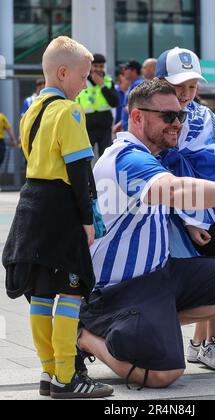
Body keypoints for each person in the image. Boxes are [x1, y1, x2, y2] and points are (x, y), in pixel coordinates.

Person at [78, 79, 215, 389]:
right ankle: (85, 336)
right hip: (119, 288)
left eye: (181, 115)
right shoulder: (126, 157)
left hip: (158, 273)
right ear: (137, 117)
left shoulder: (152, 156)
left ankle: (152, 323)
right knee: (164, 374)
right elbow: (175, 190)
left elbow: (177, 191)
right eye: (167, 117)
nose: (177, 123)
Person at [2, 36, 113, 400]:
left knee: (41, 294)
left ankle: (49, 372)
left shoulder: (31, 110)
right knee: (71, 290)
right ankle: (68, 377)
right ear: (63, 73)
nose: (86, 84)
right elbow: (80, 171)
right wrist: (86, 221)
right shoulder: (70, 112)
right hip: (61, 208)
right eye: (83, 77)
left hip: (31, 206)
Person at [155, 47, 215, 372]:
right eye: (178, 85)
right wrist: (185, 216)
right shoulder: (151, 117)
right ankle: (195, 341)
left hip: (211, 209)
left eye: (192, 86)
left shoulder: (205, 117)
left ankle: (208, 341)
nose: (185, 93)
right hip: (168, 211)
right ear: (160, 81)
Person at [76, 53, 119, 158]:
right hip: (87, 125)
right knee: (84, 157)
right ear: (90, 66)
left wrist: (102, 86)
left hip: (104, 126)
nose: (99, 69)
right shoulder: (81, 81)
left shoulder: (108, 81)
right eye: (96, 66)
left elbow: (115, 102)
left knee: (106, 156)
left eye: (101, 66)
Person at [119, 60, 144, 131]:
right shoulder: (133, 84)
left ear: (133, 71)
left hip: (134, 128)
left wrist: (128, 109)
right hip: (129, 127)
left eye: (126, 68)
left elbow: (139, 105)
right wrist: (120, 123)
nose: (124, 71)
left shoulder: (138, 84)